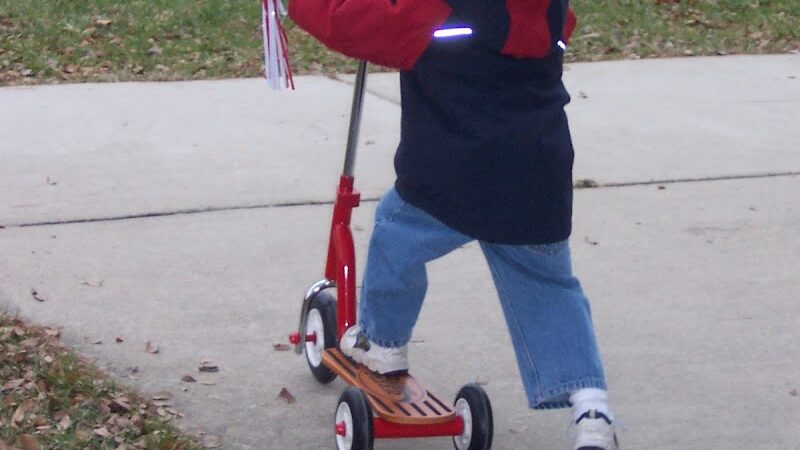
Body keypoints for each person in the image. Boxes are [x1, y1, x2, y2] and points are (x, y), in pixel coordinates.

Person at [289, 0, 619, 448]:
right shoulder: (550, 8)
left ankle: (382, 345)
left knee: (394, 235)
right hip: (537, 176)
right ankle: (591, 409)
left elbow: (356, 24)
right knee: (549, 287)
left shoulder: (435, 6)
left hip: (452, 175)